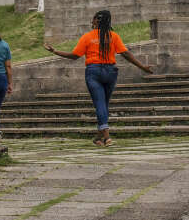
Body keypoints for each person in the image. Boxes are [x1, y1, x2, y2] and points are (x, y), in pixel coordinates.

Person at [44, 10, 153, 147]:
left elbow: (74, 56)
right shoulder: (113, 36)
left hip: (94, 72)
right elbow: (126, 54)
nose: (91, 21)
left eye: (93, 19)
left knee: (99, 103)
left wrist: (55, 51)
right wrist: (142, 67)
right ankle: (99, 137)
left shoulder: (87, 37)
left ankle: (106, 137)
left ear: (97, 20)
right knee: (104, 104)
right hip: (111, 72)